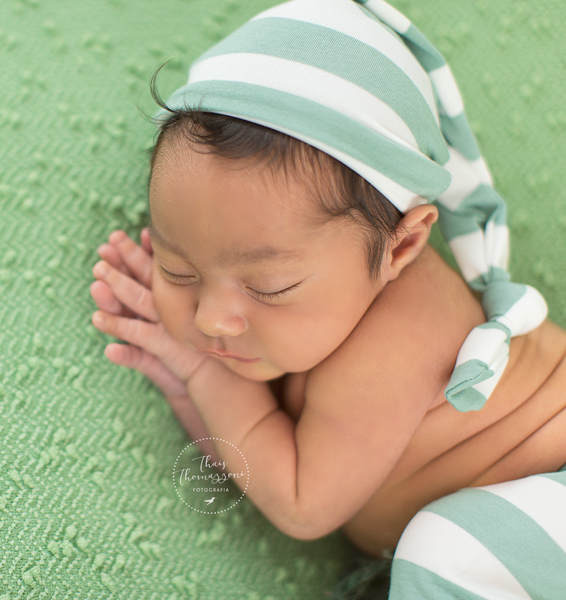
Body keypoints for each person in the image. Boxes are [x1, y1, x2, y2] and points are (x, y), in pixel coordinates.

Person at [88, 0, 566, 597]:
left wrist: (203, 374)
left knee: (449, 548)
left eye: (270, 287)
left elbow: (301, 502)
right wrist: (194, 385)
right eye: (177, 268)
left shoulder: (402, 332)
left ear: (400, 248)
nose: (212, 319)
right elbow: (255, 462)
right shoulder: (312, 316)